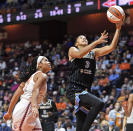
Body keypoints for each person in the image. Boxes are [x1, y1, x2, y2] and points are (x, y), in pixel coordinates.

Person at [66, 19, 124, 131]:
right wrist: (97, 42)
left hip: (85, 90)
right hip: (74, 90)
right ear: (77, 43)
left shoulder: (94, 52)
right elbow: (79, 54)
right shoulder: (73, 49)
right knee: (99, 103)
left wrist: (118, 29)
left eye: (85, 38)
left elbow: (111, 47)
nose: (84, 38)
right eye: (81, 38)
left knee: (80, 123)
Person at [3, 56, 51, 131]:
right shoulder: (42, 75)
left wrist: (9, 112)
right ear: (39, 65)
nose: (49, 62)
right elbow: (35, 89)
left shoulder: (29, 78)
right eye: (46, 60)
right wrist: (34, 106)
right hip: (26, 109)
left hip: (27, 110)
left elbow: (15, 96)